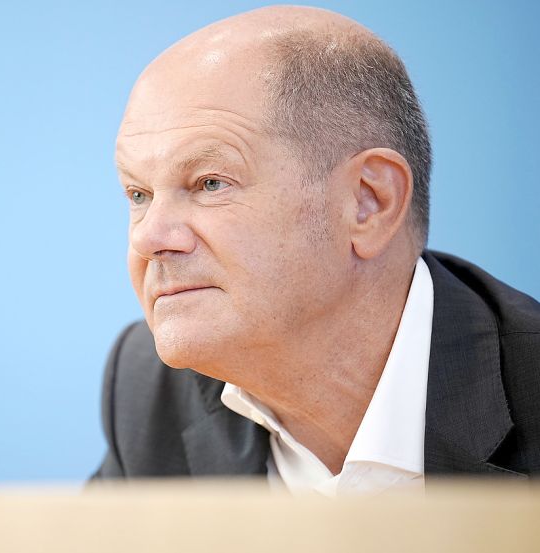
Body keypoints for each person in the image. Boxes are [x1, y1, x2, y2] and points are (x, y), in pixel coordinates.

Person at [92, 5, 539, 495]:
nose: (148, 238)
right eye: (138, 195)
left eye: (209, 183)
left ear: (369, 202)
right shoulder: (149, 390)